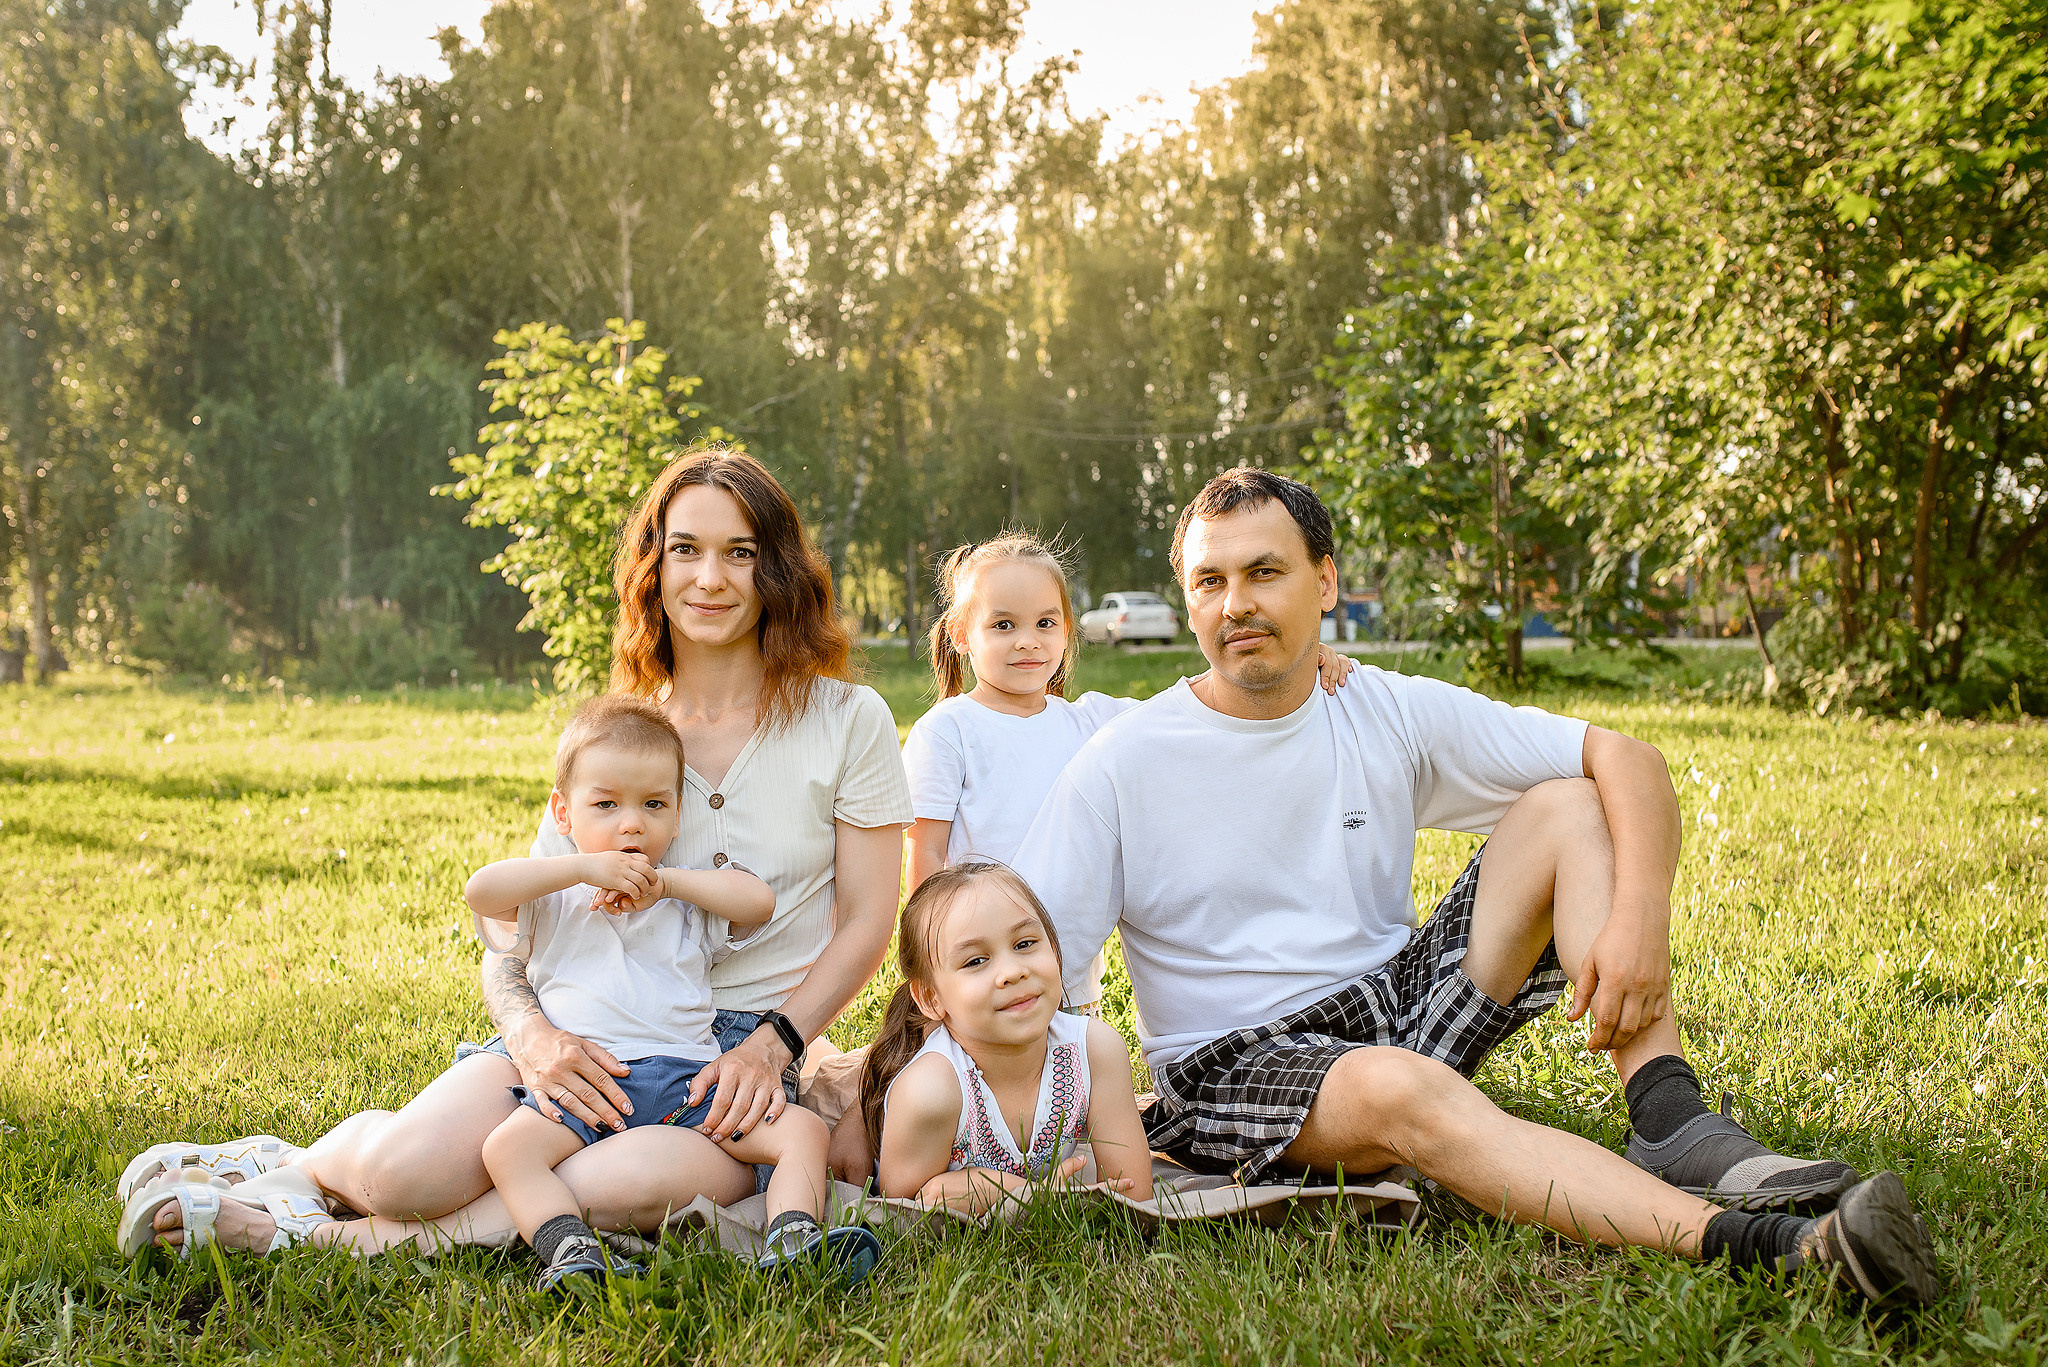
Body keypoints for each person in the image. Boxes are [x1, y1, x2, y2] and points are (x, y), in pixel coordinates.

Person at [1012, 467, 1940, 1306]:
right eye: (1210, 581)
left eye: (1264, 572)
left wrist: (1640, 920)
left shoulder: (1375, 705)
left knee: (1570, 803)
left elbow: (1627, 758)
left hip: (1390, 1001)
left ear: (1325, 582)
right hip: (1235, 1065)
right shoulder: (1125, 761)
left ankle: (1671, 1116)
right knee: (1400, 1087)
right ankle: (1775, 1248)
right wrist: (1008, 1119)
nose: (1236, 603)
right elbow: (1025, 958)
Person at [122, 444, 912, 1257]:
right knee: (403, 1174)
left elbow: (866, 923)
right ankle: (290, 1164)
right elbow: (511, 934)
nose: (709, 578)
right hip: (583, 1023)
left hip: (734, 1053)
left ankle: (315, 1237)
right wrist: (535, 1037)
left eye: (739, 553)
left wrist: (773, 1044)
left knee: (618, 1182)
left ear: (776, 568)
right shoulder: (624, 731)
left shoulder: (847, 719)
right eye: (685, 549)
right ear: (654, 566)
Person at [469, 694, 879, 1291]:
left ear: (678, 817)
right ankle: (568, 1249)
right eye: (605, 804)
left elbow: (757, 901)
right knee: (508, 1149)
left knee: (802, 1132)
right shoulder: (550, 898)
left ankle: (794, 1238)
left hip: (686, 1081)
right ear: (562, 812)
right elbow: (481, 891)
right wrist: (581, 869)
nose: (631, 823)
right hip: (592, 1083)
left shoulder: (683, 900)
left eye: (654, 805)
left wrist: (666, 885)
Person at [857, 861, 1153, 1212]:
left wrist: (1028, 1198)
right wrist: (1031, 1196)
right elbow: (904, 1208)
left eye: (1025, 943)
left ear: (1054, 950)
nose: (1012, 972)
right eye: (975, 961)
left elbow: (1133, 1194)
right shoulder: (930, 1091)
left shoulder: (1094, 1052)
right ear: (931, 998)